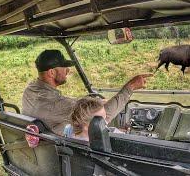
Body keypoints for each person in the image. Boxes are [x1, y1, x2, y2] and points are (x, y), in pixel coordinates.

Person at [22, 49, 152, 136]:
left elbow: (65, 102)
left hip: (48, 147)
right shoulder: (55, 104)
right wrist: (130, 87)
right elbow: (102, 117)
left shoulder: (30, 91)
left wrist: (98, 101)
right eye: (64, 67)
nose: (67, 70)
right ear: (51, 72)